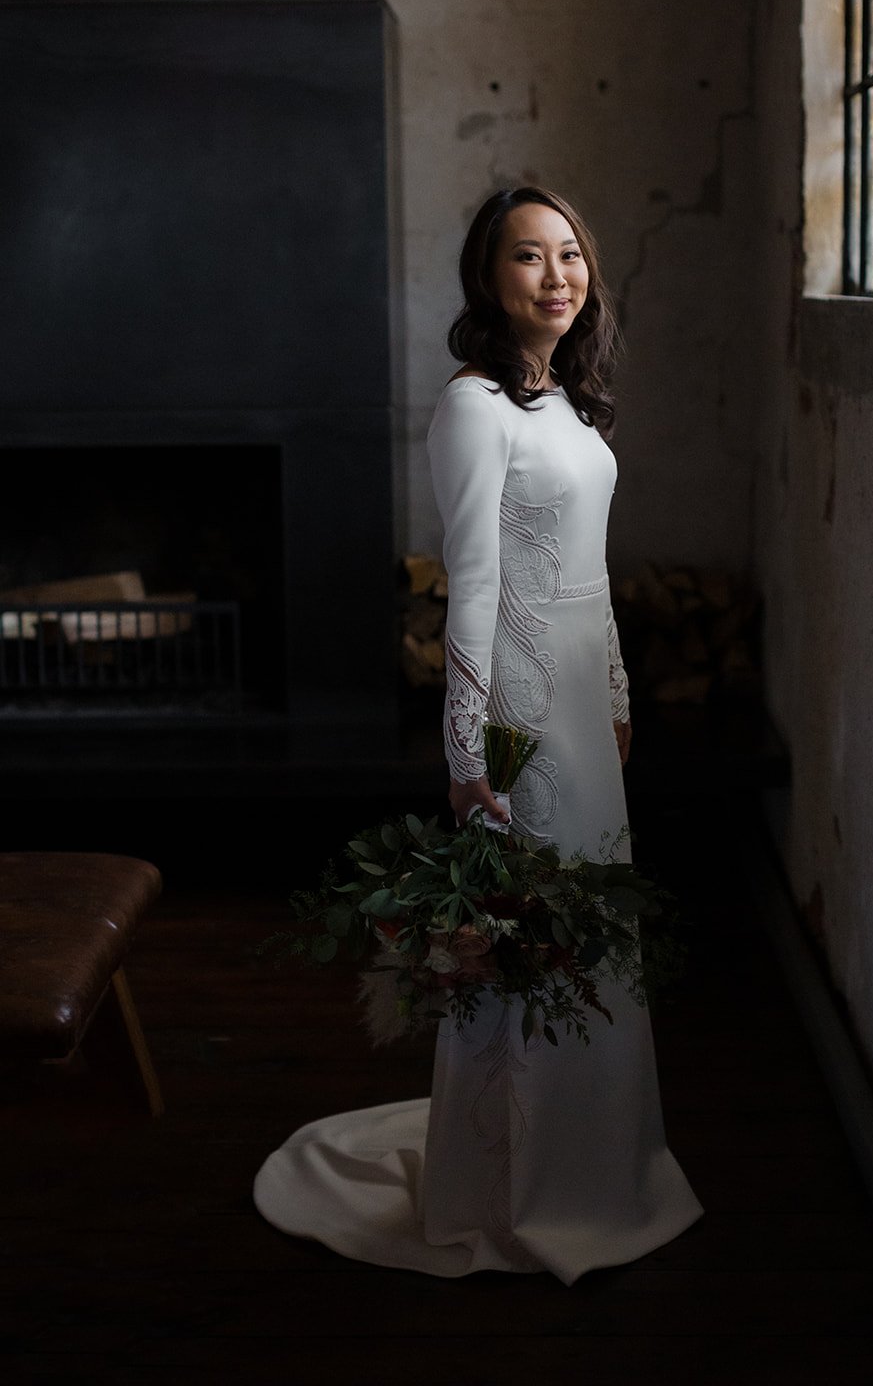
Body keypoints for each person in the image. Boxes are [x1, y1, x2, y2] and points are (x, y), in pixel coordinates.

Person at [253, 187, 702, 1282]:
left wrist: (618, 697)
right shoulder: (472, 408)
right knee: (522, 939)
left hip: (584, 716)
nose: (555, 275)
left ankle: (594, 1167)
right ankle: (511, 1183)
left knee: (588, 926)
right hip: (517, 714)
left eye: (568, 255)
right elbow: (472, 592)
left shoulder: (567, 402)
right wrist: (467, 754)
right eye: (526, 258)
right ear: (486, 279)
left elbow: (589, 573)